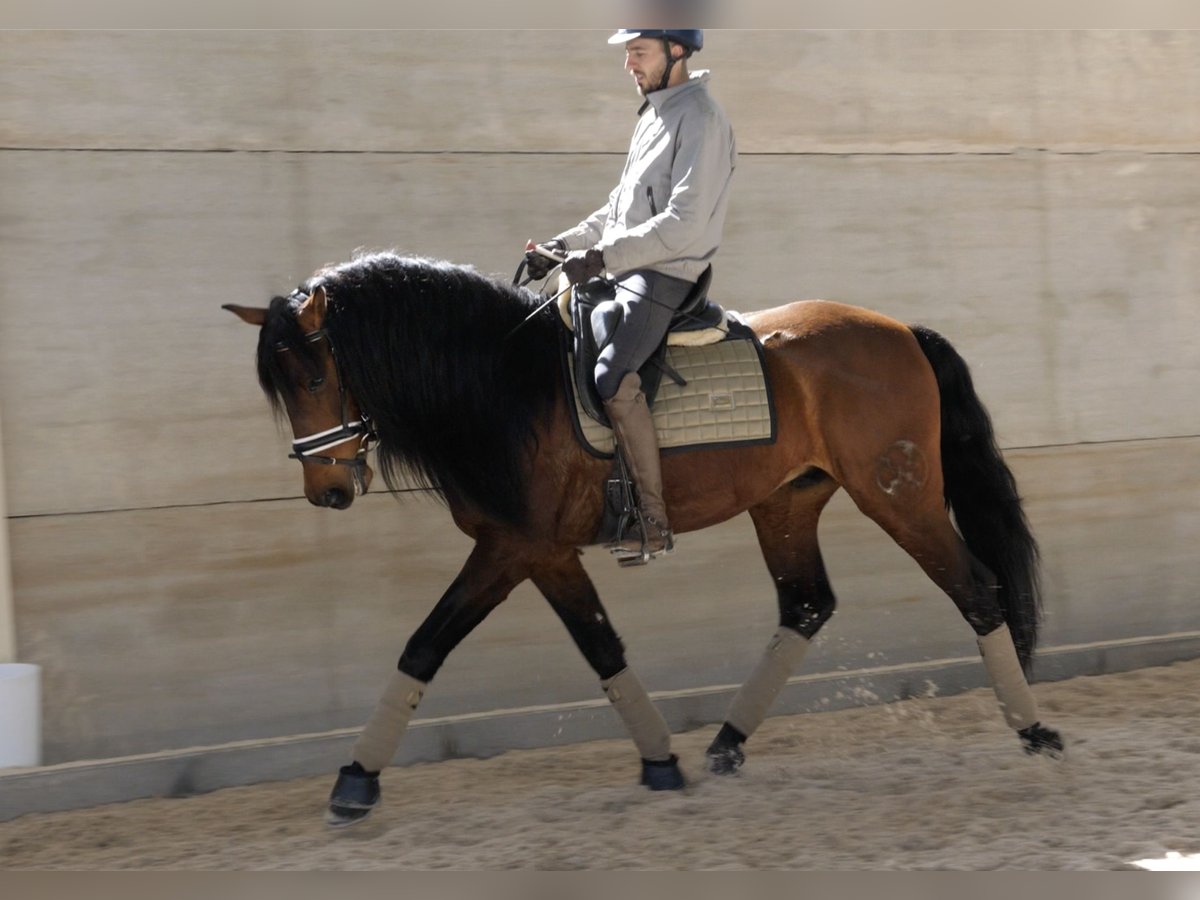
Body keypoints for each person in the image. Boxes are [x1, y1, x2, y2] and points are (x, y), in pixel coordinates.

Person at [525, 27, 737, 563]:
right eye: (627, 54)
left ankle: (651, 519)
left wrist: (600, 259)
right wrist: (560, 246)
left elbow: (684, 225)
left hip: (666, 273)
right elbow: (617, 212)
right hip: (629, 265)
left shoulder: (702, 119)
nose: (629, 65)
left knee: (613, 375)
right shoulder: (656, 115)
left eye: (638, 53)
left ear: (677, 51)